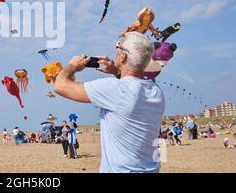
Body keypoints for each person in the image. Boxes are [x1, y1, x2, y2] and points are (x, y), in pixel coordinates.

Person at [54, 32, 165, 173]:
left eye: (118, 46)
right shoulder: (156, 91)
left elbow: (60, 86)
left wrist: (72, 66)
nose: (116, 49)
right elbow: (132, 88)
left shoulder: (114, 89)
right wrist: (117, 72)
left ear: (123, 56)